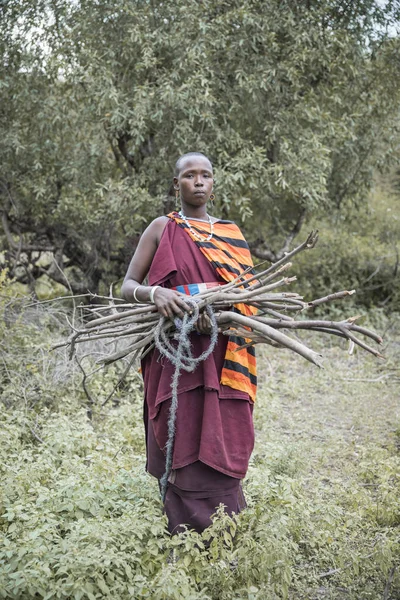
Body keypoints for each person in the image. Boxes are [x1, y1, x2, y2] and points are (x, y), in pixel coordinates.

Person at [121, 152, 257, 534]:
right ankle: (180, 524)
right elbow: (127, 284)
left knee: (223, 425)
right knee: (180, 425)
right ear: (176, 184)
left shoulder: (230, 234)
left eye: (206, 176)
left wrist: (222, 304)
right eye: (189, 175)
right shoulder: (162, 228)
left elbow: (249, 294)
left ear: (213, 186)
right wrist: (154, 295)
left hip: (222, 351)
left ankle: (225, 521)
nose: (198, 181)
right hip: (176, 352)